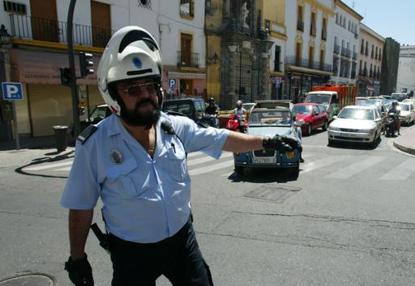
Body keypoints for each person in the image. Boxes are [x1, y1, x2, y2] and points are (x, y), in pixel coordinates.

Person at [61, 26, 298, 286]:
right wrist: (77, 257)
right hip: (132, 253)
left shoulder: (175, 127)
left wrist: (266, 141)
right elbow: (81, 207)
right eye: (132, 89)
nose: (145, 95)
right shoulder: (95, 145)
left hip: (181, 242)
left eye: (150, 86)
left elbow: (221, 139)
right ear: (113, 94)